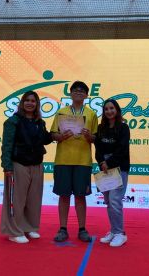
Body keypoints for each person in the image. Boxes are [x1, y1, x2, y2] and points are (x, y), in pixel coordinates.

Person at [0, 90, 53, 244]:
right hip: (19, 164)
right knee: (17, 200)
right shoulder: (13, 121)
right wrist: (7, 166)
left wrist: (59, 133)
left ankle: (29, 227)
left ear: (37, 104)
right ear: (22, 103)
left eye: (33, 101)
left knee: (33, 200)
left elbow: (45, 139)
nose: (30, 103)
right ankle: (14, 232)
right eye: (27, 100)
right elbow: (7, 145)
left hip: (37, 164)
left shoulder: (40, 122)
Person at [49, 81, 98, 242]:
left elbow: (96, 138)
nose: (78, 92)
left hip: (83, 161)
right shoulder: (61, 112)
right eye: (75, 90)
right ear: (70, 93)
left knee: (80, 196)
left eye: (82, 90)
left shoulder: (91, 114)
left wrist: (89, 136)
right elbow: (53, 134)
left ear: (86, 95)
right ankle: (62, 229)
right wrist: (61, 136)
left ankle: (82, 229)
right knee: (63, 195)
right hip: (63, 160)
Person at [95, 98, 131, 248]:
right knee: (109, 202)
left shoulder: (123, 127)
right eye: (106, 109)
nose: (109, 111)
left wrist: (108, 163)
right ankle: (114, 230)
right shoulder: (101, 128)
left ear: (117, 110)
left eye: (112, 108)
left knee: (115, 200)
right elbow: (98, 149)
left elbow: (122, 149)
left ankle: (120, 234)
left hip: (119, 168)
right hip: (104, 169)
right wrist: (101, 162)